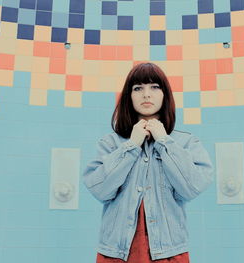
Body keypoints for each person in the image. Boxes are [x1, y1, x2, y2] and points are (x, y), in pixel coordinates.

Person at [83, 62, 214, 262]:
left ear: (165, 95)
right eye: (138, 88)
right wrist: (131, 146)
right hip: (116, 253)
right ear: (129, 96)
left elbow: (192, 187)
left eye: (154, 87)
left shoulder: (186, 142)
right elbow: (100, 190)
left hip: (170, 253)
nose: (146, 94)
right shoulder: (110, 143)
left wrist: (164, 141)